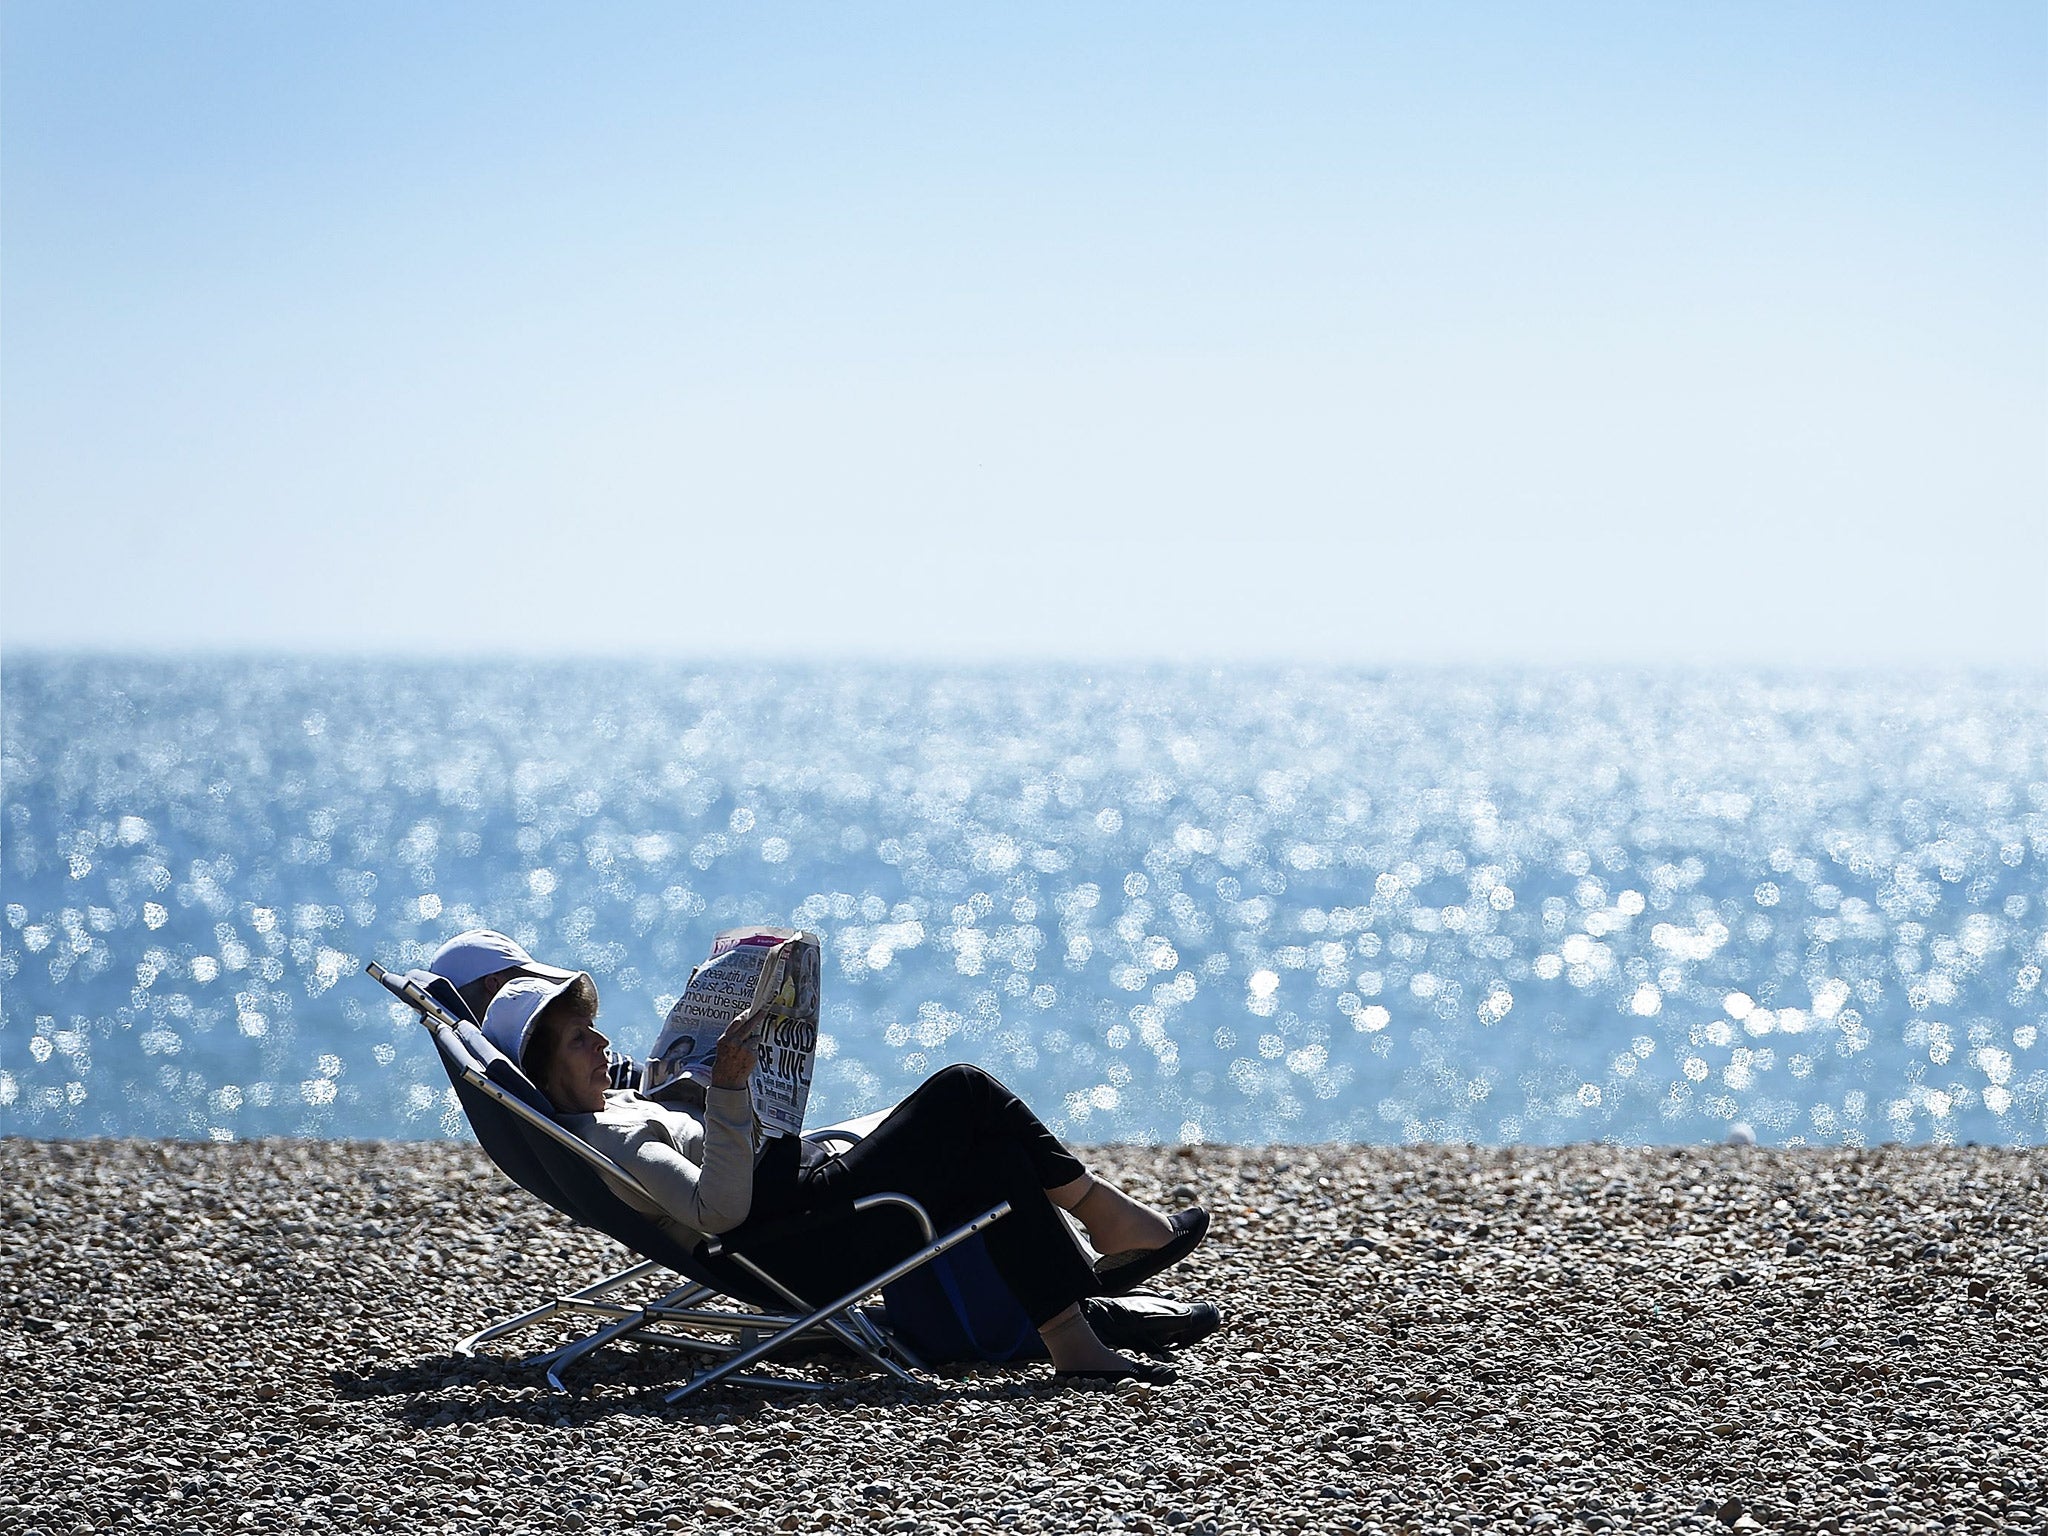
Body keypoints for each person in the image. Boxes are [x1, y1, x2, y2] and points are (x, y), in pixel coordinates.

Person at [479, 970, 1211, 1383]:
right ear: (544, 1075)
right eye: (580, 1039)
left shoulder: (617, 1107)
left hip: (795, 1203)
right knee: (963, 1089)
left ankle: (1071, 1339)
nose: (602, 1040)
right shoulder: (619, 1135)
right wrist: (731, 1093)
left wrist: (692, 1078)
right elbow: (717, 1210)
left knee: (986, 1151)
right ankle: (1107, 1221)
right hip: (795, 1239)